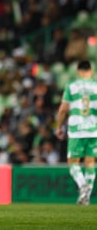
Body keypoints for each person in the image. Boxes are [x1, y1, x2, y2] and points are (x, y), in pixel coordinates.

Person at [56, 60, 97, 205]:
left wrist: (59, 126)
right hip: (93, 130)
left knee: (73, 162)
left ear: (78, 71)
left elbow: (63, 109)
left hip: (76, 129)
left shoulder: (72, 86)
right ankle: (86, 197)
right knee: (90, 162)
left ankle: (82, 185)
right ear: (91, 71)